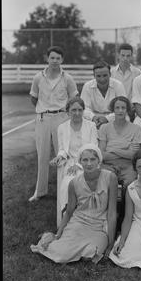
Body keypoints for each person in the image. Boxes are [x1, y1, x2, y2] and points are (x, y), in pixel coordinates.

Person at [30, 144, 118, 264]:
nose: (89, 163)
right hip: (79, 222)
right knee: (61, 254)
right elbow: (70, 211)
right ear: (80, 162)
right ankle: (50, 238)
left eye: (93, 159)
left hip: (99, 225)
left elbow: (112, 213)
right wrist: (58, 233)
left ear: (99, 160)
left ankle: (78, 248)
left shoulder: (110, 178)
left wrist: (111, 243)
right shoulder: (74, 183)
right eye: (85, 160)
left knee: (92, 253)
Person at [28, 45, 78, 202]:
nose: (55, 61)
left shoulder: (68, 78)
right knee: (42, 155)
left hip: (62, 118)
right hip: (43, 118)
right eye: (52, 58)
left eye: (58, 58)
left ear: (62, 60)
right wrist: (44, 109)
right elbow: (34, 98)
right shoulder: (38, 77)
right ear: (47, 58)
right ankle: (40, 191)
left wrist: (63, 113)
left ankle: (64, 191)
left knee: (62, 154)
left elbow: (74, 98)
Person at [50, 96, 98, 227]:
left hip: (88, 163)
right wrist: (59, 157)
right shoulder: (62, 127)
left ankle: (85, 218)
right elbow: (62, 149)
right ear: (68, 112)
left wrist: (79, 165)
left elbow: (93, 148)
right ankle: (68, 217)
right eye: (73, 110)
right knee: (68, 184)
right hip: (69, 163)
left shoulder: (91, 126)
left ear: (83, 111)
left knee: (81, 182)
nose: (77, 113)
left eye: (80, 110)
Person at [98, 96, 141, 189]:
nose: (120, 111)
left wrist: (112, 150)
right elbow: (102, 155)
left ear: (127, 110)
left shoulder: (136, 129)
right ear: (113, 110)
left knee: (130, 184)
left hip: (129, 166)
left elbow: (133, 155)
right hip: (108, 165)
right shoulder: (104, 128)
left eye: (123, 108)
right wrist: (126, 150)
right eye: (117, 108)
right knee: (106, 182)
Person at [80, 60, 126, 129]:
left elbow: (123, 107)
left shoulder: (118, 85)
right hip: (93, 117)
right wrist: (93, 118)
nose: (102, 79)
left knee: (125, 118)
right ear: (94, 76)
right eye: (98, 76)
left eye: (105, 75)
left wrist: (107, 119)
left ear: (110, 74)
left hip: (114, 116)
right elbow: (84, 108)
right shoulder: (87, 86)